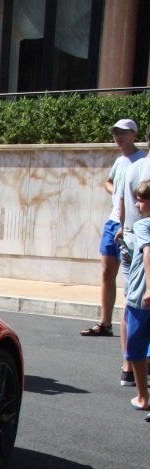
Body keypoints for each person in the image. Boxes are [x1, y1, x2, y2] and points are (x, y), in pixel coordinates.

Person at [82, 119, 143, 340]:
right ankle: (105, 323)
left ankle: (133, 325)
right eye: (115, 133)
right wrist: (117, 190)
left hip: (132, 225)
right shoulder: (119, 162)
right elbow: (108, 182)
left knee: (132, 277)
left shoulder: (142, 160)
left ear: (134, 135)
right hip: (113, 222)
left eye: (123, 133)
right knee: (108, 273)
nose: (118, 137)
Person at [117, 125, 150, 385]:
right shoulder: (135, 167)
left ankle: (129, 366)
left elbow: (122, 203)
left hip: (130, 235)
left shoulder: (132, 167)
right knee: (135, 302)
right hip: (138, 237)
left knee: (131, 301)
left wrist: (121, 228)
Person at [125, 179, 150, 414]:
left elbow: (147, 254)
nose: (137, 205)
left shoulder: (144, 225)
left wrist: (149, 288)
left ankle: (143, 397)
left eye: (142, 200)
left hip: (141, 297)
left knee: (136, 349)